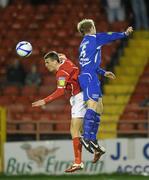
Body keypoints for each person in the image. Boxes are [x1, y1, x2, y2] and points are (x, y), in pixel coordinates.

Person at [32, 51, 115, 172]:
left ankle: (78, 162)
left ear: (55, 61)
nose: (46, 65)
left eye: (47, 62)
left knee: (74, 130)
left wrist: (45, 101)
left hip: (79, 97)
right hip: (85, 92)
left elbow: (60, 91)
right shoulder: (64, 60)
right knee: (79, 128)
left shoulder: (61, 73)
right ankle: (96, 148)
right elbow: (62, 55)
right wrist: (59, 55)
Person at [77, 19, 133, 153]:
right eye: (94, 26)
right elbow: (110, 36)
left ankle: (92, 138)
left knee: (99, 108)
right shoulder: (94, 38)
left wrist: (103, 72)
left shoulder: (83, 43)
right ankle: (86, 137)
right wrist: (124, 34)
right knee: (93, 106)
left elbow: (89, 64)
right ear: (91, 28)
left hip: (90, 75)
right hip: (89, 77)